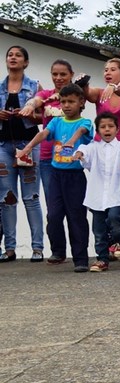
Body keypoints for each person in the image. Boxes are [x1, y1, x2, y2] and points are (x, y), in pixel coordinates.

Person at [17, 84, 92, 272]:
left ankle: (81, 259)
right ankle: (58, 251)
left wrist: (72, 142)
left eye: (71, 101)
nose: (66, 105)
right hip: (56, 175)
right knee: (54, 214)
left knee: (76, 216)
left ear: (81, 102)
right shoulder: (56, 122)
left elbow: (81, 132)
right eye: (63, 101)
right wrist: (27, 148)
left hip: (75, 177)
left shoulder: (86, 122)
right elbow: (44, 133)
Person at [80, 58, 120, 259]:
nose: (107, 72)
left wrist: (116, 87)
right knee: (102, 195)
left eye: (112, 70)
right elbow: (88, 93)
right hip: (101, 152)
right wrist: (84, 83)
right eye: (105, 70)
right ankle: (107, 242)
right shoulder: (100, 93)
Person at [72, 112, 120, 272]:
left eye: (110, 126)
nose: (107, 129)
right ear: (98, 130)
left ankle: (119, 241)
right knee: (98, 230)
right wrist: (79, 154)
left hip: (115, 194)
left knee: (114, 218)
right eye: (103, 127)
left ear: (117, 129)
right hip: (97, 196)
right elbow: (84, 150)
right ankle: (102, 259)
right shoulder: (94, 147)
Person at [0, 46, 44, 263]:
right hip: (4, 146)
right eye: (10, 55)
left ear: (25, 62)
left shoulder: (35, 86)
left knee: (31, 197)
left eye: (18, 55)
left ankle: (37, 248)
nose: (13, 58)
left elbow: (45, 118)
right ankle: (9, 248)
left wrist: (28, 114)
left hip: (29, 144)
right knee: (7, 198)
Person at [17, 58, 74, 206]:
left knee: (72, 205)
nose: (58, 78)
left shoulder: (76, 95)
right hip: (47, 157)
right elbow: (36, 100)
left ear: (71, 75)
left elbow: (84, 83)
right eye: (54, 74)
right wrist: (29, 105)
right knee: (53, 205)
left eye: (63, 74)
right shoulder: (46, 95)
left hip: (69, 156)